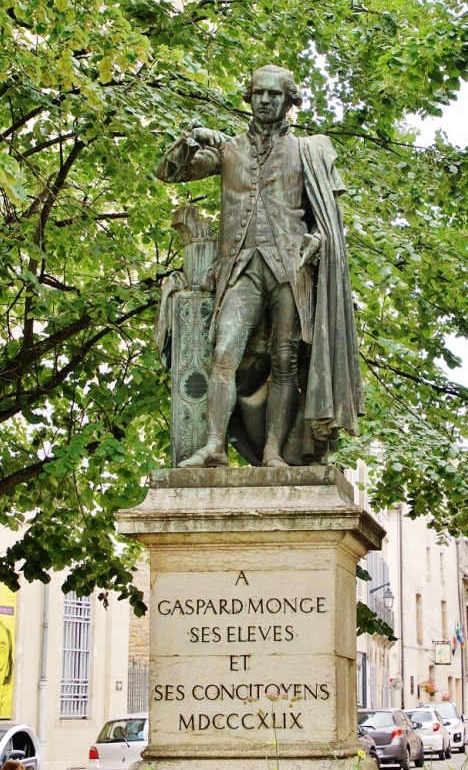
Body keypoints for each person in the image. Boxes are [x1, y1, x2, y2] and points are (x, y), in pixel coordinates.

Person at [156, 64, 363, 468]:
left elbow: (328, 219)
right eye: (258, 93)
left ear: (289, 101)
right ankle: (214, 446)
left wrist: (318, 241)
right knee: (225, 353)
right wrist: (189, 140)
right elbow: (169, 172)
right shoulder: (227, 147)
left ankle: (272, 453)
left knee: (285, 362)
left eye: (274, 94)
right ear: (248, 97)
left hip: (290, 269)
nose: (265, 100)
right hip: (240, 267)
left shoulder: (309, 151)